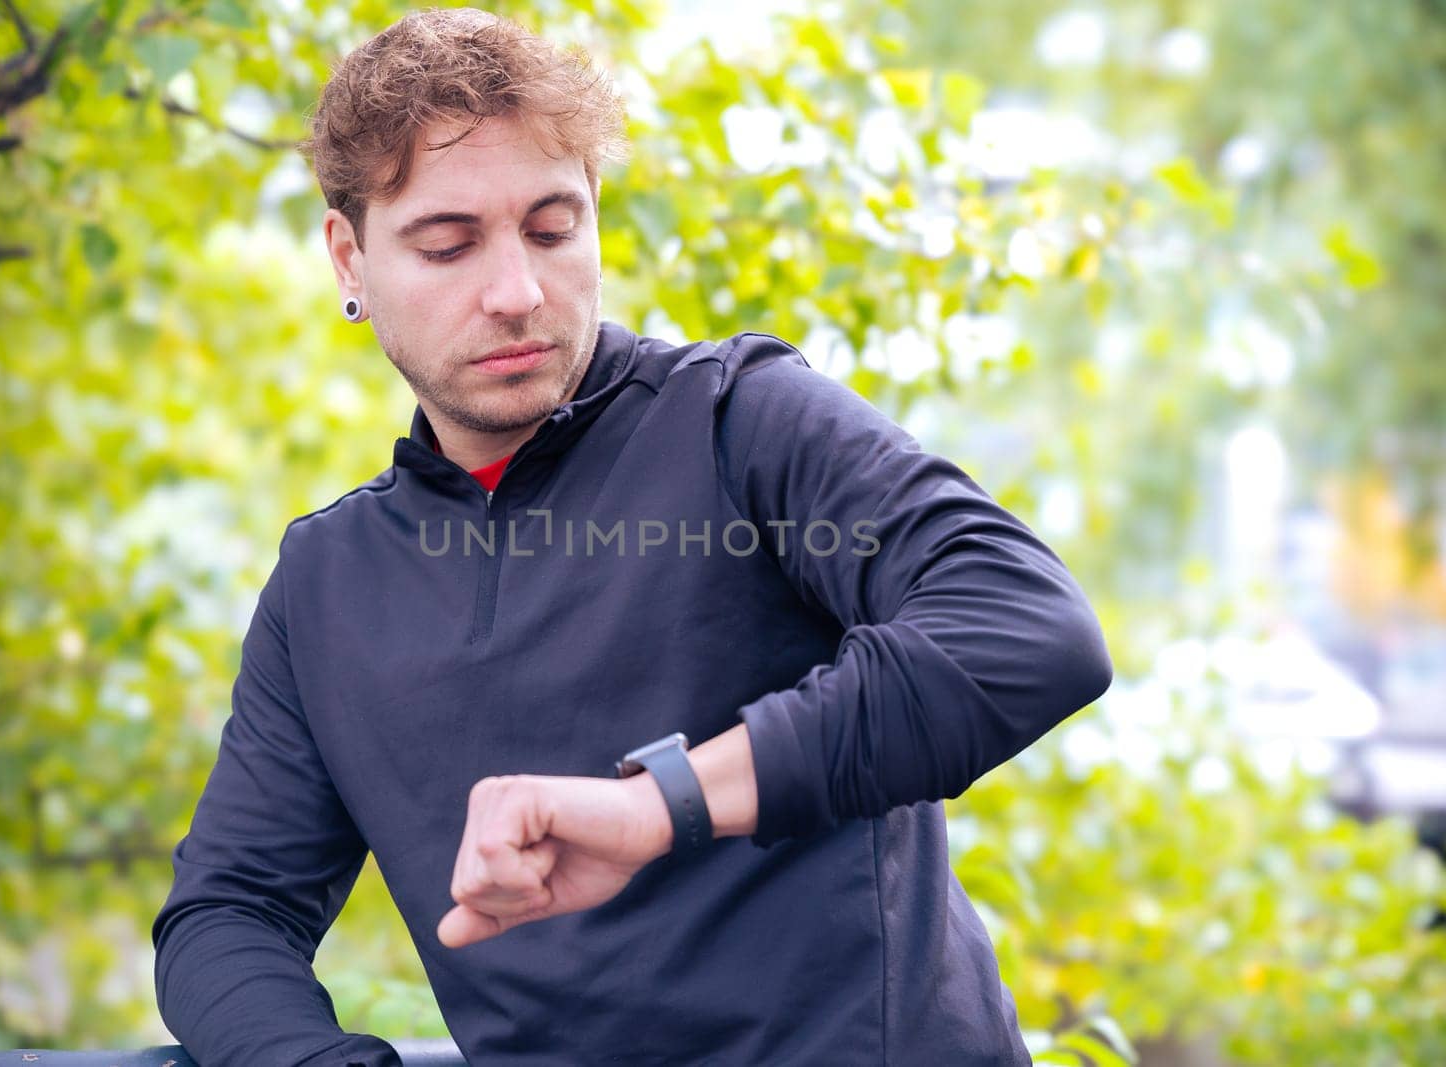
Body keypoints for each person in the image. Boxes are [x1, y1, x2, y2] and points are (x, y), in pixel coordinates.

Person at [151, 8, 1114, 1066]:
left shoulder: (739, 419)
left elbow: (1025, 628)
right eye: (447, 242)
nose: (517, 290)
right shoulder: (327, 584)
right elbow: (226, 915)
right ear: (350, 258)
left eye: (553, 229)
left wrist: (662, 804)